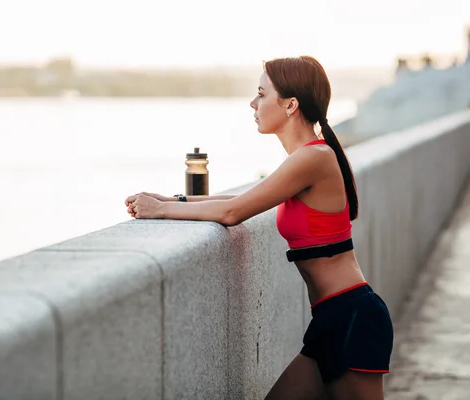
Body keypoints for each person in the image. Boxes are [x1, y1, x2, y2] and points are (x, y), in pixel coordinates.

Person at [124, 56, 394, 400]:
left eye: (262, 94)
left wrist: (163, 210)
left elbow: (234, 211)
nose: (253, 104)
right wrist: (173, 199)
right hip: (330, 319)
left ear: (291, 105)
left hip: (353, 317)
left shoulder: (314, 158)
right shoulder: (304, 158)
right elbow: (241, 199)